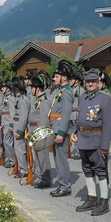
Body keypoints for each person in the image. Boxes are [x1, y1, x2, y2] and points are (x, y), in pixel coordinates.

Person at [73, 68, 111, 216]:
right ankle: (91, 197)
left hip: (96, 139)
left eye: (93, 81)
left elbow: (109, 124)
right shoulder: (83, 97)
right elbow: (79, 117)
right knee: (87, 168)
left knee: (100, 170)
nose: (90, 83)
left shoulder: (105, 99)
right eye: (88, 81)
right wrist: (75, 132)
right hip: (83, 139)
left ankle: (103, 201)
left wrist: (104, 146)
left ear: (98, 82)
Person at [48, 61, 75, 197]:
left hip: (60, 129)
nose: (55, 78)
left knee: (61, 159)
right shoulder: (59, 91)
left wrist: (61, 133)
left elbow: (66, 114)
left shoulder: (67, 92)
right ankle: (61, 184)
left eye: (57, 76)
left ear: (64, 77)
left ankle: (65, 186)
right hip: (55, 127)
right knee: (57, 159)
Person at [27, 74, 53, 188]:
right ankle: (39, 177)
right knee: (37, 156)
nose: (31, 90)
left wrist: (42, 136)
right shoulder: (38, 100)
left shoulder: (44, 101)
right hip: (34, 131)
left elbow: (44, 120)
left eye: (32, 87)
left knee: (43, 157)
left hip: (39, 132)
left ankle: (45, 179)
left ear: (37, 88)